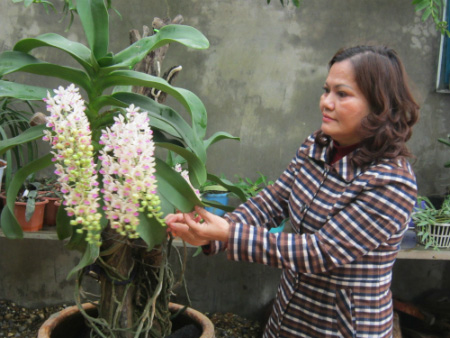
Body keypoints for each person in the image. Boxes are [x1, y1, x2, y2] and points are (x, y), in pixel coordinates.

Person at [166, 45, 419, 338]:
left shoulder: (391, 181)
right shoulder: (319, 145)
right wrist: (211, 232)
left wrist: (227, 233)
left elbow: (321, 251)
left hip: (343, 326)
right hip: (290, 316)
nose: (326, 102)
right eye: (326, 90)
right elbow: (275, 199)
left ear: (380, 105)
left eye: (342, 94)